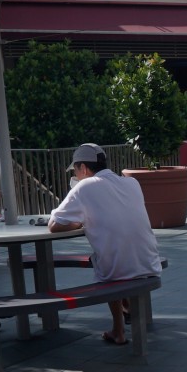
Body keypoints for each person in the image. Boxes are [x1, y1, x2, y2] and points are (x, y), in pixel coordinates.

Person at [48, 143, 162, 346]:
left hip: (118, 269)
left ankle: (119, 330)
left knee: (106, 261)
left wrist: (78, 222)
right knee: (111, 254)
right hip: (149, 263)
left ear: (83, 168)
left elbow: (54, 225)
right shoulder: (131, 183)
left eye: (75, 170)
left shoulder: (85, 186)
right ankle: (123, 318)